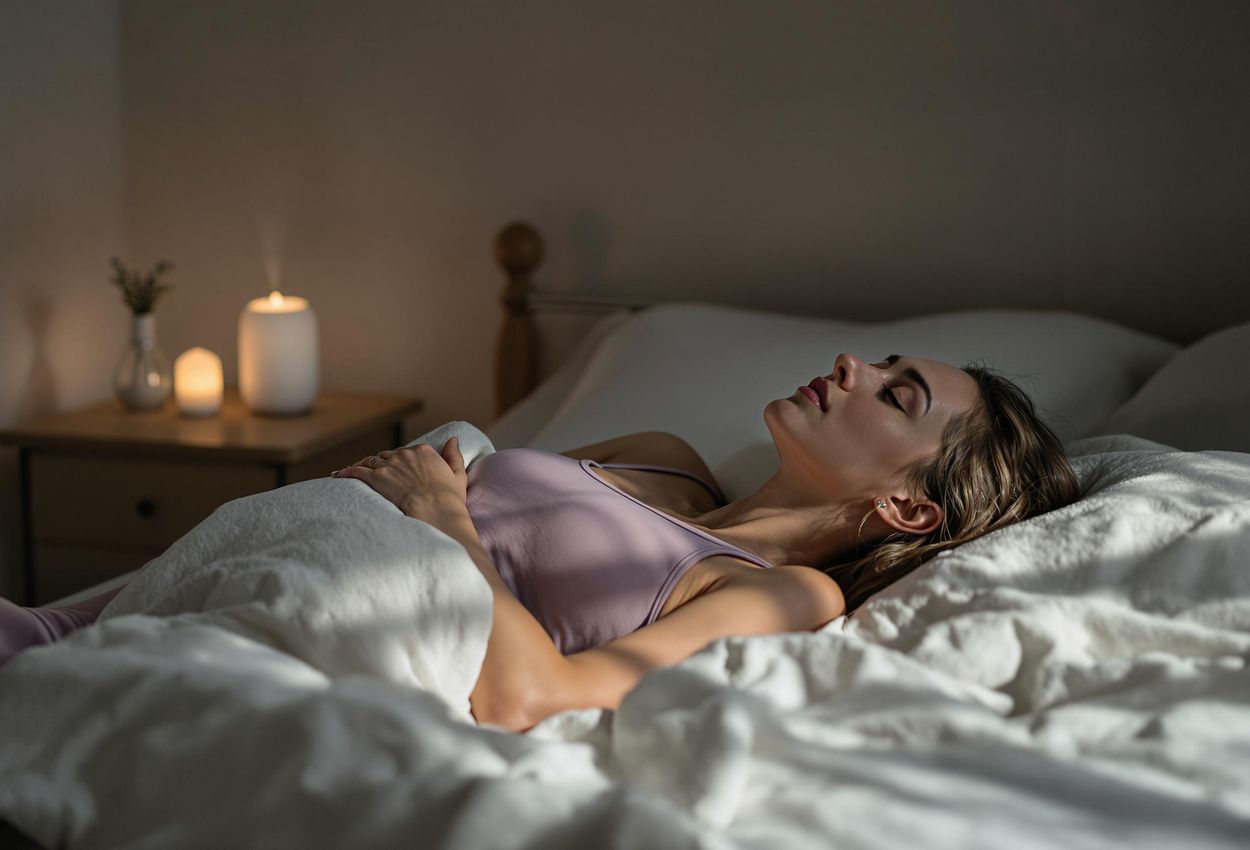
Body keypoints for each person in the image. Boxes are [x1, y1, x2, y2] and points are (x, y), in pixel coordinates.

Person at [1, 353, 1080, 735]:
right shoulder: (657, 455)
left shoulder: (783, 594)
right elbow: (439, 473)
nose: (847, 364)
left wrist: (446, 524)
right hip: (181, 584)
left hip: (312, 635)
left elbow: (539, 698)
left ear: (907, 511)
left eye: (894, 393)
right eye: (879, 360)